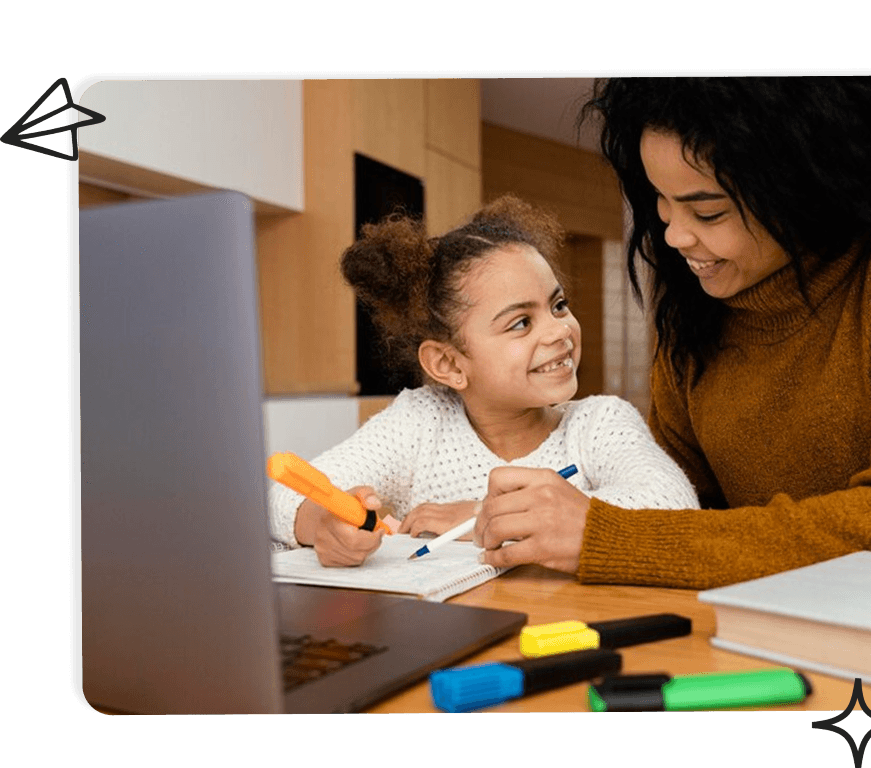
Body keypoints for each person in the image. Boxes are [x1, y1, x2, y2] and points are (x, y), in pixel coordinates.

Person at [473, 75, 871, 588]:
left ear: (806, 185)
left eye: (708, 211)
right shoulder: (694, 315)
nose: (675, 235)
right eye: (659, 199)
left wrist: (612, 537)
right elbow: (673, 499)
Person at [268, 195, 699, 566]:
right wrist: (323, 524)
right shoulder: (421, 421)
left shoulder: (600, 423)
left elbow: (674, 505)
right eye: (520, 323)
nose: (559, 331)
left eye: (559, 305)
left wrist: (482, 516)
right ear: (449, 364)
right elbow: (280, 498)